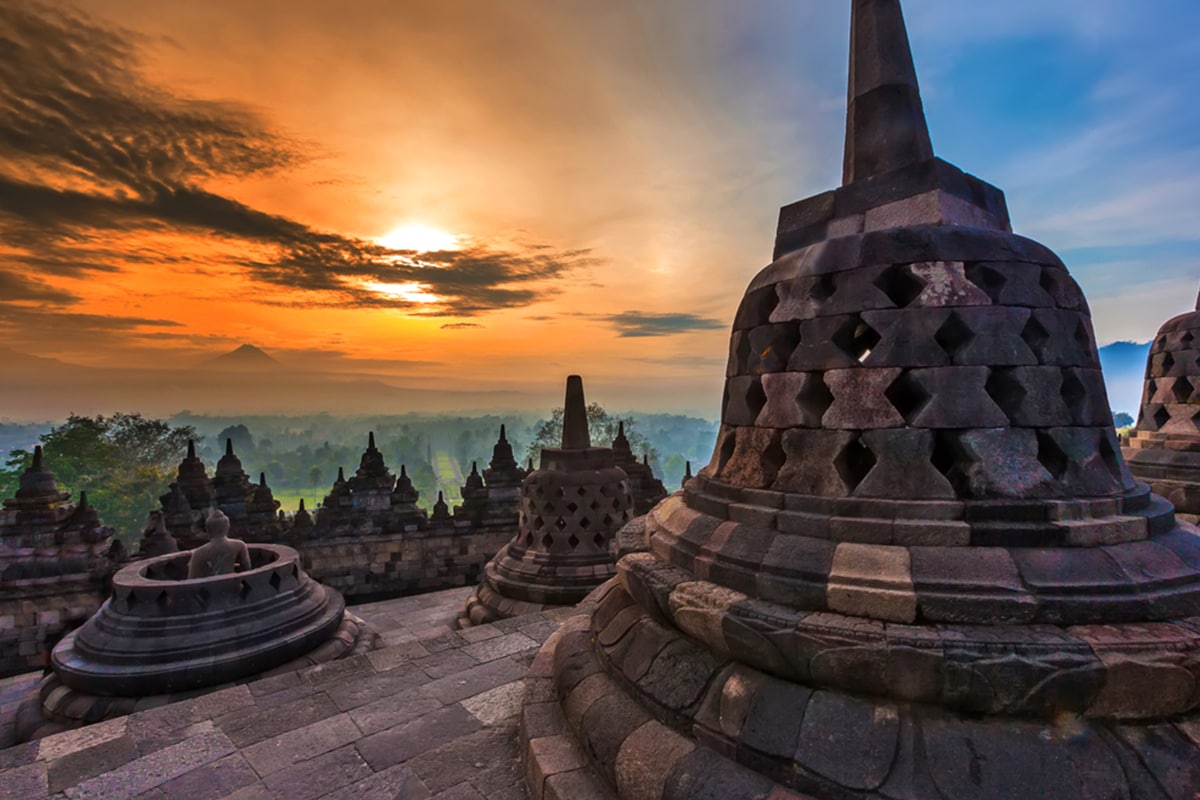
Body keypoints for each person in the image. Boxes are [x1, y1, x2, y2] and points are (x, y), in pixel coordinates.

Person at [187, 509, 250, 578]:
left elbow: (192, 578)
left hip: (209, 586)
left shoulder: (198, 553)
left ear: (208, 530)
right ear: (227, 527)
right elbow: (247, 569)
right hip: (232, 584)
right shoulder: (239, 545)